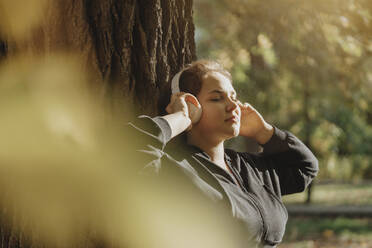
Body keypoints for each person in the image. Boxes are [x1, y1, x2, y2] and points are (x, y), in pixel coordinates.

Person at [127, 60, 318, 247]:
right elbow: (128, 146)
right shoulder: (173, 168)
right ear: (191, 105)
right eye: (217, 98)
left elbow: (305, 168)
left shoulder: (248, 167)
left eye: (233, 97)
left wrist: (264, 132)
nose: (233, 105)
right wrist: (181, 118)